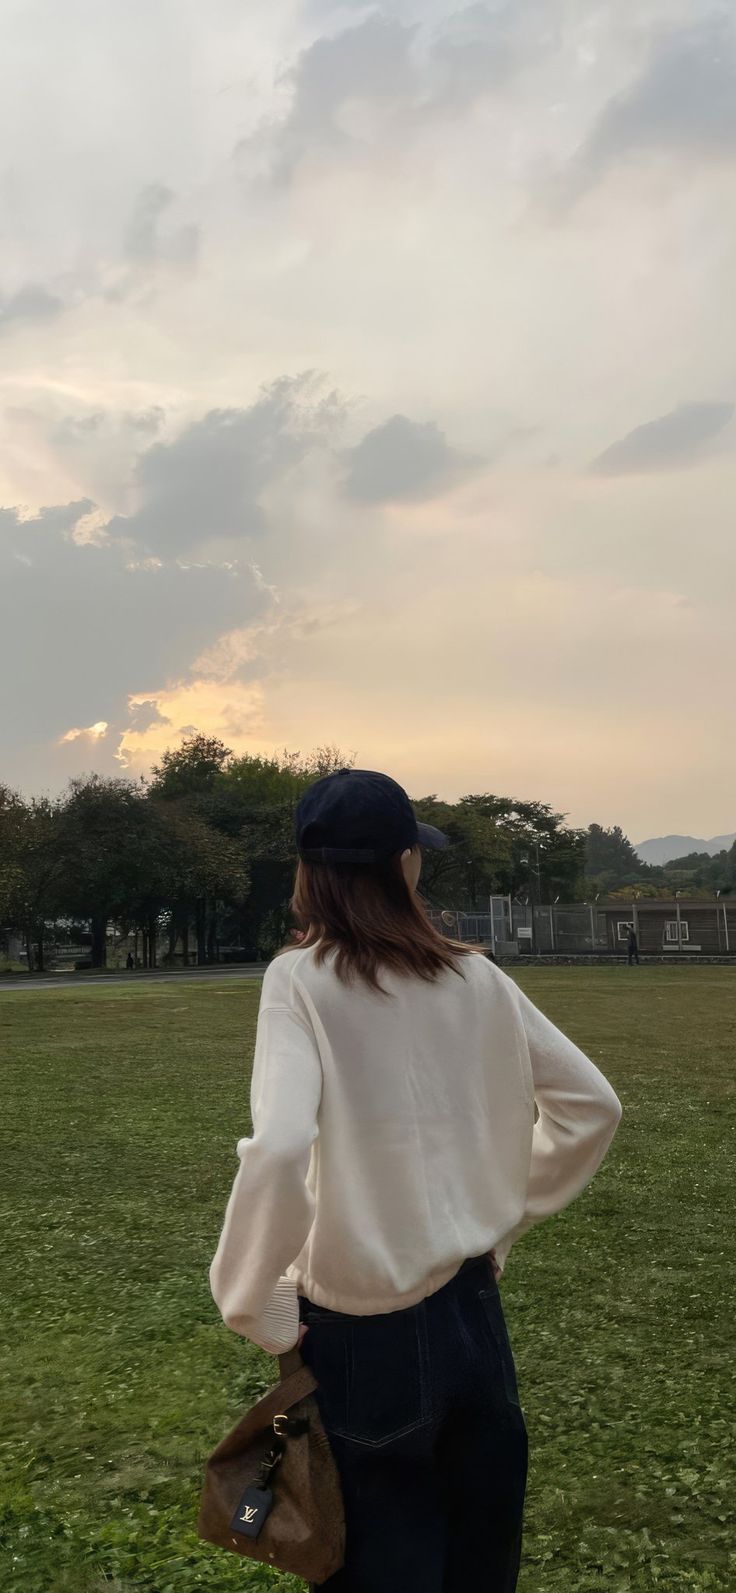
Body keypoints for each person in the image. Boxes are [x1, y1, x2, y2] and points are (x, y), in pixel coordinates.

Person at [210, 768, 622, 1592]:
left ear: (310, 869)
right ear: (406, 864)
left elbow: (283, 1146)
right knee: (480, 1555)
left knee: (378, 1561)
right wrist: (503, 1214)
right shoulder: (476, 977)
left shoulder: (300, 981)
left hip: (361, 1334)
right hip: (474, 1314)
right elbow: (591, 1106)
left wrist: (256, 1300)